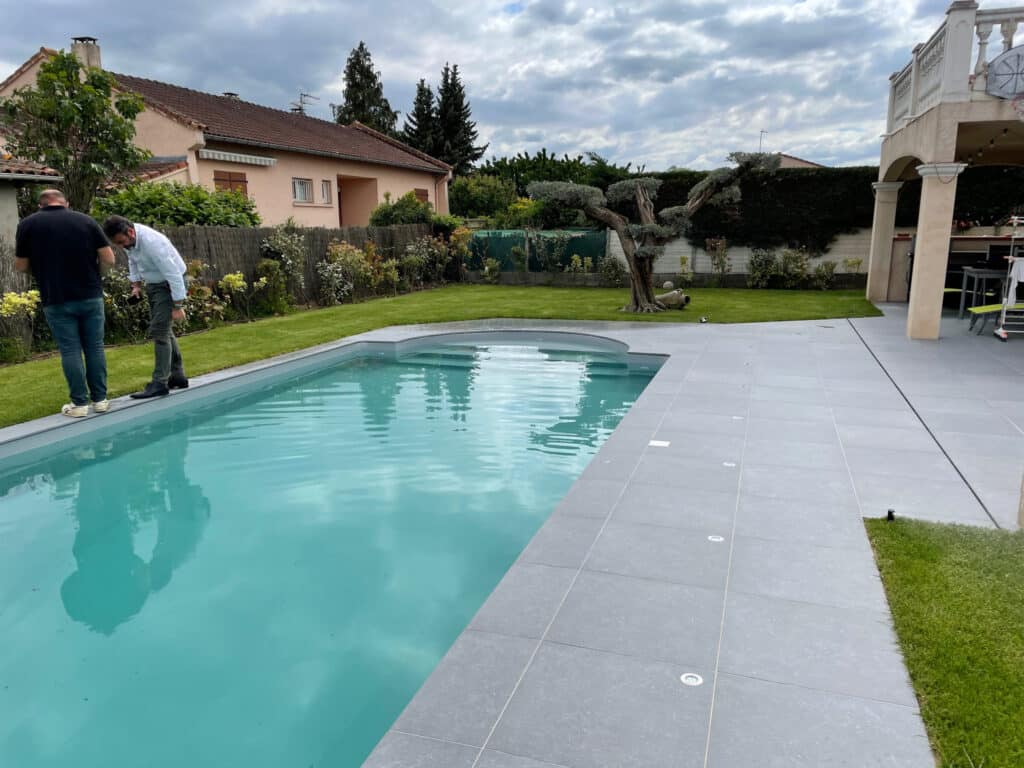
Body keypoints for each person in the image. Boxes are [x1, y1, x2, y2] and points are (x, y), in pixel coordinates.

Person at [14, 189, 115, 417]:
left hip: (56, 297)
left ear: (40, 205)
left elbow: (20, 266)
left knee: (70, 350)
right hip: (90, 295)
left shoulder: (28, 225)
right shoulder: (85, 221)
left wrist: (40, 274)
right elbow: (109, 258)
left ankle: (79, 404)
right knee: (95, 347)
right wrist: (96, 276)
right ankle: (100, 400)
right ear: (66, 203)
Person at [102, 215, 189, 398]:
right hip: (155, 285)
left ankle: (159, 383)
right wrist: (136, 284)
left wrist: (178, 305)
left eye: (121, 242)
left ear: (130, 232)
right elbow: (133, 260)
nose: (121, 247)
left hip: (169, 284)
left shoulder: (152, 243)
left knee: (159, 330)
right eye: (117, 244)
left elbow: (174, 274)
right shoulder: (131, 242)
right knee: (164, 330)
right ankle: (178, 375)